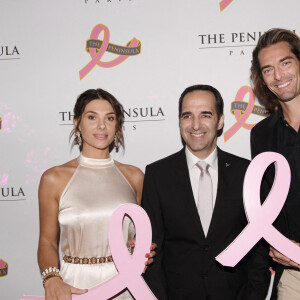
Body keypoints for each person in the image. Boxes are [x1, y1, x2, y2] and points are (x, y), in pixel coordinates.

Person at [142, 84, 270, 300]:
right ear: (180, 121)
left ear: (220, 121)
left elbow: (259, 248)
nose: (195, 125)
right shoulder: (157, 174)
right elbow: (152, 250)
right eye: (187, 116)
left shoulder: (247, 173)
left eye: (205, 115)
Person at [37, 88, 148, 300]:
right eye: (92, 117)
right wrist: (51, 278)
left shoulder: (135, 176)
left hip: (127, 286)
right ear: (77, 122)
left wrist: (144, 250)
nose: (101, 126)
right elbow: (47, 241)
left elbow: (143, 236)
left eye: (110, 118)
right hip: (76, 287)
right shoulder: (54, 178)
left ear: (117, 126)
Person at [250, 28, 300, 300]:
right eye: (268, 69)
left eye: (285, 62)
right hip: (292, 276)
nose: (278, 76)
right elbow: (266, 208)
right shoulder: (261, 135)